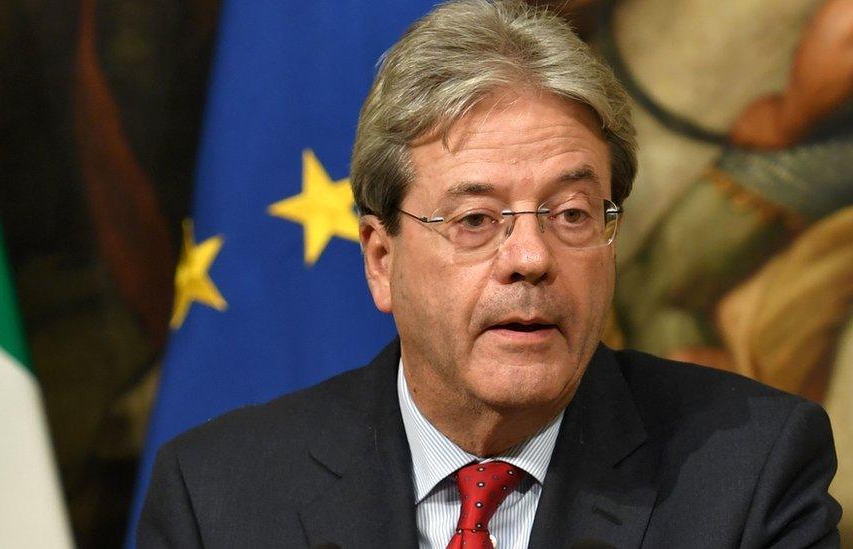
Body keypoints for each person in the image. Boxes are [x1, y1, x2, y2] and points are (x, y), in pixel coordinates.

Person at [137, 1, 842, 547]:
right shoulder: (220, 497)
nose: (531, 258)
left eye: (570, 214)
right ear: (381, 260)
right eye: (475, 220)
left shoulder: (751, 473)